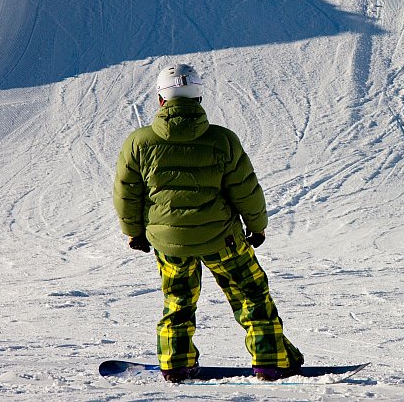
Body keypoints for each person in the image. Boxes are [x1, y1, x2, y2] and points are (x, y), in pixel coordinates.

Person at [113, 64, 304, 383]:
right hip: (223, 239)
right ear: (198, 97)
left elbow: (126, 192)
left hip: (169, 244)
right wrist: (257, 226)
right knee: (251, 295)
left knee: (178, 300)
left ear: (161, 99)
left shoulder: (139, 142)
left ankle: (176, 363)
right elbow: (245, 188)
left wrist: (133, 232)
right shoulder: (222, 140)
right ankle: (270, 360)